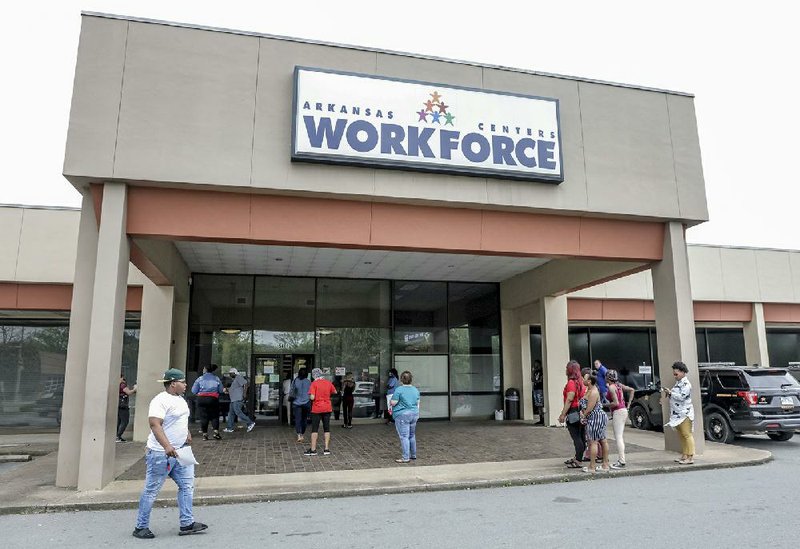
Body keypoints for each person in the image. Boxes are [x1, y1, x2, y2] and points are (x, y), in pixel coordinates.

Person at [132, 368, 207, 539]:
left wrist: (186, 432)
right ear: (173, 384)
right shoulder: (160, 401)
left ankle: (187, 523)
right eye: (182, 382)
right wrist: (167, 446)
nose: (186, 384)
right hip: (161, 454)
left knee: (187, 486)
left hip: (181, 451)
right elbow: (154, 424)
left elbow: (180, 419)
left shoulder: (180, 399)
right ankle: (140, 527)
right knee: (152, 490)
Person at [662, 361, 696, 465]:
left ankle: (690, 456)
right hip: (678, 413)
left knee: (687, 434)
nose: (675, 376)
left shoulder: (686, 384)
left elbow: (681, 397)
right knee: (682, 435)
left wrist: (671, 393)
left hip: (685, 413)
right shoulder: (679, 383)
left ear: (682, 372)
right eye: (674, 374)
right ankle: (685, 454)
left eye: (676, 374)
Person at [579, 371, 610, 474]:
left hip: (595, 418)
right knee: (602, 440)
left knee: (593, 442)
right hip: (597, 417)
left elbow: (590, 408)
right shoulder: (590, 390)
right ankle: (605, 464)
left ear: (590, 381)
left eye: (585, 379)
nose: (583, 380)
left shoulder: (593, 392)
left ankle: (592, 466)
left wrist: (583, 415)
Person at [558, 360, 587, 469]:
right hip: (581, 410)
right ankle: (578, 457)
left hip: (573, 411)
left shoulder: (571, 383)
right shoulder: (581, 382)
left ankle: (578, 460)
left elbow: (570, 399)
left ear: (570, 370)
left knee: (576, 437)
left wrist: (563, 414)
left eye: (567, 368)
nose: (565, 370)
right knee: (581, 435)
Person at [304, 368, 337, 456]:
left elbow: (312, 397)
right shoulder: (328, 382)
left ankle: (313, 449)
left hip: (317, 408)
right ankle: (326, 449)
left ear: (314, 375)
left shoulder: (314, 384)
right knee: (327, 428)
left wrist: (311, 395)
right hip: (327, 408)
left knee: (315, 429)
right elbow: (335, 391)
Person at [605, 369, 635, 469]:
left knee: (618, 437)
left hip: (618, 412)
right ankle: (621, 460)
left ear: (607, 378)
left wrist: (604, 405)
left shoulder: (611, 388)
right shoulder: (619, 385)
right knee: (620, 436)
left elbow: (615, 403)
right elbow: (632, 390)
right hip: (623, 411)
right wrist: (628, 405)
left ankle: (621, 461)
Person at [390, 370, 420, 463]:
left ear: (401, 379)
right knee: (412, 435)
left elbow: (393, 402)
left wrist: (390, 401)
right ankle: (413, 455)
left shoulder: (399, 390)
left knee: (404, 436)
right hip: (414, 414)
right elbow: (418, 403)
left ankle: (405, 457)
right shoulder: (415, 390)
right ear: (411, 379)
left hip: (402, 415)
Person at [191, 364, 224, 441]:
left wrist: (201, 392)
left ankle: (205, 435)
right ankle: (216, 433)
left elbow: (193, 391)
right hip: (213, 399)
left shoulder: (200, 379)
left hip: (201, 399)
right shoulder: (216, 379)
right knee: (214, 416)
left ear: (205, 369)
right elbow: (221, 390)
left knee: (203, 417)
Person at [222, 368, 255, 434]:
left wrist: (244, 394)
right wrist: (227, 390)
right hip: (233, 399)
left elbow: (246, 384)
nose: (230, 375)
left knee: (238, 412)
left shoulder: (238, 377)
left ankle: (250, 423)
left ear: (234, 373)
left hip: (237, 399)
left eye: (231, 373)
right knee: (231, 414)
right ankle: (229, 428)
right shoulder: (235, 380)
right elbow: (234, 389)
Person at [291, 367, 312, 443]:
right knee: (304, 419)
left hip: (296, 402)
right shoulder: (308, 382)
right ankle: (302, 433)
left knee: (298, 419)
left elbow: (291, 390)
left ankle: (299, 435)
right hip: (306, 402)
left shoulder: (295, 381)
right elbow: (311, 392)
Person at [117, 373, 137, 442]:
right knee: (124, 421)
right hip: (123, 406)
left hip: (118, 406)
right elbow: (128, 392)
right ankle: (118, 436)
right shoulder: (122, 385)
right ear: (121, 377)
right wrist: (135, 389)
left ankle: (117, 436)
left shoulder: (117, 385)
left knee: (119, 421)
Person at [532, 359, 545, 425]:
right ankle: (540, 419)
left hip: (540, 389)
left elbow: (540, 380)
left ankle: (543, 418)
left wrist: (536, 381)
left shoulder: (541, 371)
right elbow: (532, 379)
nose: (535, 365)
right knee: (537, 404)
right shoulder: (535, 372)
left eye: (536, 364)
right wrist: (533, 371)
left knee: (541, 403)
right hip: (535, 389)